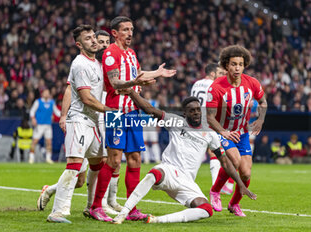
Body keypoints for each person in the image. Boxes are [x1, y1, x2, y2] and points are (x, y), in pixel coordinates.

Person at [112, 90, 256, 224]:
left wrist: (240, 184)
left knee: (206, 210)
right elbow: (150, 110)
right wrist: (131, 93)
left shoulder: (210, 133)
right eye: (192, 110)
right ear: (185, 113)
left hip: (187, 181)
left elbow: (225, 162)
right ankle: (123, 213)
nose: (196, 113)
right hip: (169, 170)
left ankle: (157, 220)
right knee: (154, 173)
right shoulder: (176, 121)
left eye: (198, 109)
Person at [89, 16, 176, 222]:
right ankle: (95, 206)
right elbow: (115, 81)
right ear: (115, 33)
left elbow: (137, 75)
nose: (130, 33)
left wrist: (157, 73)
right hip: (116, 111)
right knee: (114, 159)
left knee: (135, 159)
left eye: (132, 29)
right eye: (126, 30)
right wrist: (134, 82)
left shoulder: (131, 53)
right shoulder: (111, 53)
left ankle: (131, 208)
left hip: (133, 112)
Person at [37, 30, 123, 216]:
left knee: (101, 163)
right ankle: (59, 210)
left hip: (97, 119)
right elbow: (73, 91)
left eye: (105, 42)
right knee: (78, 173)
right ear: (81, 44)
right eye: (97, 41)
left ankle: (94, 206)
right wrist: (63, 115)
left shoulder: (103, 65)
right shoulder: (81, 64)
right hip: (84, 117)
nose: (101, 45)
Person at [206, 45, 267, 217]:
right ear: (226, 65)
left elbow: (263, 102)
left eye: (240, 64)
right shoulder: (216, 87)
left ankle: (234, 204)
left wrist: (260, 119)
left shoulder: (252, 83)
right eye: (233, 64)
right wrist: (223, 132)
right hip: (221, 131)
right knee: (234, 159)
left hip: (242, 133)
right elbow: (209, 117)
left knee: (246, 173)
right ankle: (215, 191)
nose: (237, 68)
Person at [190, 63, 234, 195]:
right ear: (212, 74)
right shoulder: (215, 86)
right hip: (208, 120)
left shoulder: (196, 84)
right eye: (220, 73)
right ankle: (220, 185)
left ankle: (187, 181)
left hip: (194, 121)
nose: (222, 76)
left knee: (200, 153)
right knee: (217, 152)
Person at [29, 88, 60, 164]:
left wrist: (64, 114)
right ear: (42, 94)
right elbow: (32, 111)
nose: (46, 94)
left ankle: (48, 158)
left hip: (48, 125)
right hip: (39, 125)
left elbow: (57, 112)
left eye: (47, 93)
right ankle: (31, 157)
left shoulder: (52, 103)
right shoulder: (38, 102)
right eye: (45, 92)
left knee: (49, 142)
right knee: (35, 141)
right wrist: (33, 119)